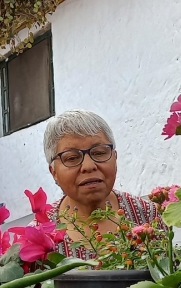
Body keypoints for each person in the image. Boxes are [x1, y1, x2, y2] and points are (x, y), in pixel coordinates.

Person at [44, 110, 161, 259]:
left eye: (99, 152)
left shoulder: (146, 215)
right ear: (53, 172)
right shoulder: (39, 236)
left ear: (115, 158)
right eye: (72, 157)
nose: (88, 165)